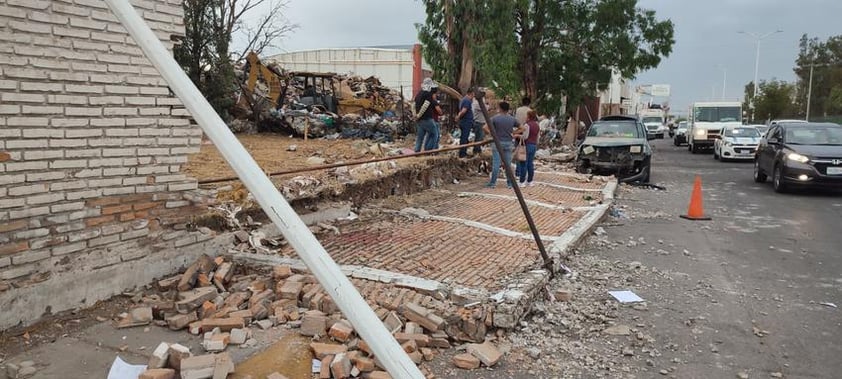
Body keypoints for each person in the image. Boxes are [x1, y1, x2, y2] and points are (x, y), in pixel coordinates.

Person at [483, 101, 518, 188]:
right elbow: (522, 128)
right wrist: (514, 133)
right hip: (508, 143)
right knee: (507, 164)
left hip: (497, 142)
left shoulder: (495, 118)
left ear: (500, 108)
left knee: (496, 164)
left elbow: (484, 127)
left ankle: (493, 183)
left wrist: (492, 134)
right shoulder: (512, 119)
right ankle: (510, 183)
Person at [413, 78, 442, 152]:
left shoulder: (419, 93)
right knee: (434, 134)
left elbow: (413, 105)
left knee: (420, 137)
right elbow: (425, 105)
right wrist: (419, 115)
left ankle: (416, 152)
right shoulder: (428, 94)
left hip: (419, 120)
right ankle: (428, 151)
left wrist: (415, 115)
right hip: (427, 118)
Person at [516, 110, 540, 186]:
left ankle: (522, 181)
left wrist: (517, 136)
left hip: (527, 145)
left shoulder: (527, 125)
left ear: (529, 117)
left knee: (523, 163)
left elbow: (525, 136)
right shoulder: (537, 125)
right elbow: (538, 137)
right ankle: (530, 181)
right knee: (530, 163)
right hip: (534, 145)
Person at [455, 88, 475, 157]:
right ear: (471, 94)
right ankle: (462, 153)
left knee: (464, 137)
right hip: (466, 122)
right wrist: (458, 117)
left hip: (464, 121)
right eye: (473, 95)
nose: (473, 97)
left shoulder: (463, 100)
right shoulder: (467, 101)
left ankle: (463, 152)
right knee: (464, 137)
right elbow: (464, 111)